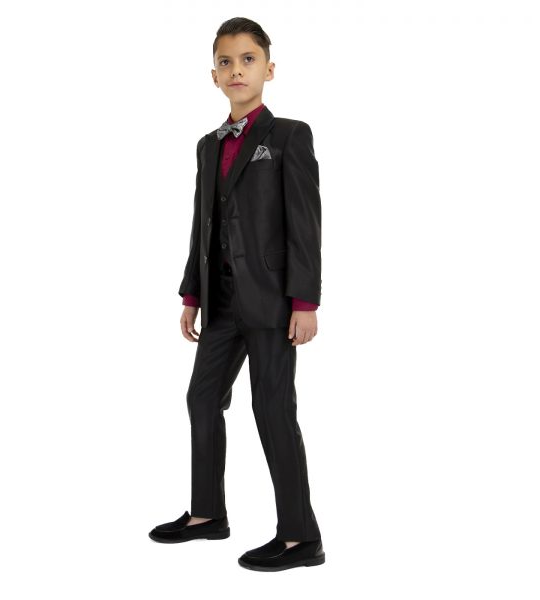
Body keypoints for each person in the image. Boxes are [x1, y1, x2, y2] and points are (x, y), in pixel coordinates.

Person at [148, 17, 325, 572]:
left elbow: (305, 224)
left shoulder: (289, 136)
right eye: (225, 61)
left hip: (273, 303)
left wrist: (305, 302)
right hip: (221, 303)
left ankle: (300, 537)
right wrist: (192, 295)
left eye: (248, 59)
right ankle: (207, 514)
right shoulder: (208, 146)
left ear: (269, 69)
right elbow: (201, 223)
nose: (236, 70)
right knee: (202, 399)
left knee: (272, 412)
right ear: (213, 75)